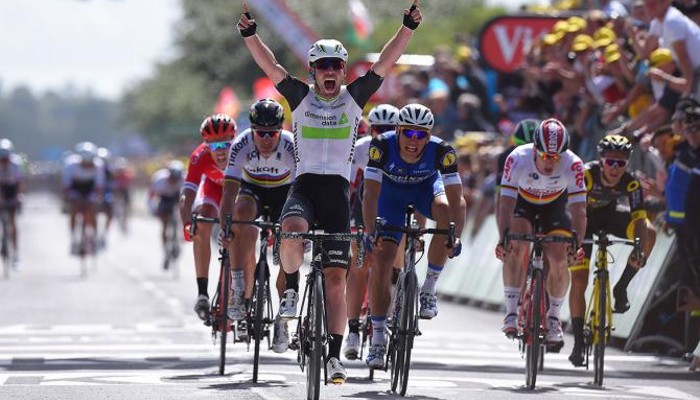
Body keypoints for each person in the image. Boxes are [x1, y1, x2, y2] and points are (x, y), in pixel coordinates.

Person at [236, 0, 423, 384]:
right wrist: (251, 36)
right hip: (304, 185)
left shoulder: (354, 98)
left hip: (337, 192)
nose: (331, 72)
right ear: (313, 71)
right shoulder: (300, 96)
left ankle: (334, 358)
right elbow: (271, 66)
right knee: (290, 229)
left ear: (342, 69)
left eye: (337, 65)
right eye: (323, 66)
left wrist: (407, 28)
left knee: (336, 281)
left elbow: (385, 64)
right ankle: (288, 289)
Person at [362, 104, 466, 368]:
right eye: (408, 133)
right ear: (398, 130)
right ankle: (376, 340)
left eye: (421, 135)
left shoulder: (443, 151)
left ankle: (429, 288)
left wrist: (456, 235)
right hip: (390, 196)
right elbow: (371, 193)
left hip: (424, 190)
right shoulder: (381, 146)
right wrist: (370, 230)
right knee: (383, 262)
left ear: (429, 136)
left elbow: (458, 200)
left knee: (444, 211)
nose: (413, 141)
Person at [495, 118, 587, 353]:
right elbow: (504, 203)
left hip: (554, 207)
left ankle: (554, 318)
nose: (550, 162)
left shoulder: (574, 164)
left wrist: (576, 244)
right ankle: (511, 313)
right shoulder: (517, 158)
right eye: (545, 156)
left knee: (558, 258)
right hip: (522, 205)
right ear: (535, 149)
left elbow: (579, 210)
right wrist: (503, 237)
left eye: (555, 157)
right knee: (517, 246)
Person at [568, 135, 658, 366]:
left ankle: (621, 287)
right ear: (601, 160)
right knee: (579, 279)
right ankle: (578, 342)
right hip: (583, 222)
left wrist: (639, 246)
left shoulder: (631, 182)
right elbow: (570, 210)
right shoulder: (586, 175)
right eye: (610, 162)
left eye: (621, 163)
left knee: (650, 233)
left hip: (609, 218)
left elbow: (639, 217)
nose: (615, 168)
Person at [219, 98, 297, 354]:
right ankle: (238, 286)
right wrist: (226, 227)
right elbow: (229, 191)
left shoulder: (290, 144)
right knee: (241, 216)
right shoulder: (241, 143)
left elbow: (300, 191)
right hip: (252, 188)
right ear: (252, 130)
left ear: (280, 129)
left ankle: (283, 323)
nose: (266, 138)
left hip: (283, 190)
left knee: (289, 239)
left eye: (272, 133)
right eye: (260, 133)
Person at [343, 104, 400, 360]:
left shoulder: (404, 148)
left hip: (392, 206)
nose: (382, 134)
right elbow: (351, 185)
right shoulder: (361, 148)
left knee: (390, 263)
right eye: (378, 129)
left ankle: (391, 304)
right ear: (370, 129)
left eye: (389, 129)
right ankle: (353, 329)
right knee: (359, 264)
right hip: (363, 204)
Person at [179, 114, 237, 321]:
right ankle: (202, 292)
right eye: (212, 146)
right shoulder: (199, 157)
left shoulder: (245, 152)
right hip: (213, 189)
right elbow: (187, 194)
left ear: (234, 140)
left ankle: (243, 288)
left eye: (224, 144)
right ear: (205, 146)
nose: (219, 151)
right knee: (201, 222)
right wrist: (187, 222)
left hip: (239, 190)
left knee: (241, 225)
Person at [62, 142, 105, 255]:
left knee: (92, 211)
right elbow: (66, 186)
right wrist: (68, 199)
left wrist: (97, 199)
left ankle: (94, 237)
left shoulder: (98, 166)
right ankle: (73, 238)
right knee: (74, 210)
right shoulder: (70, 165)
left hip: (90, 189)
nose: (87, 165)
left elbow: (99, 186)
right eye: (84, 163)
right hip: (75, 189)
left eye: (89, 162)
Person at [149, 160, 186, 269]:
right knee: (164, 224)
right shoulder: (159, 179)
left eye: (176, 179)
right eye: (172, 179)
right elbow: (151, 196)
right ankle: (166, 249)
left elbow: (190, 199)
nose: (174, 181)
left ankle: (179, 237)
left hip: (178, 197)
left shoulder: (185, 179)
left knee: (182, 214)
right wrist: (152, 209)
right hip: (164, 198)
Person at [0, 139, 23, 268]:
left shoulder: (15, 163)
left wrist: (18, 196)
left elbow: (19, 183)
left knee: (13, 222)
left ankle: (16, 254)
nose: (3, 161)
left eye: (5, 159)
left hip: (11, 190)